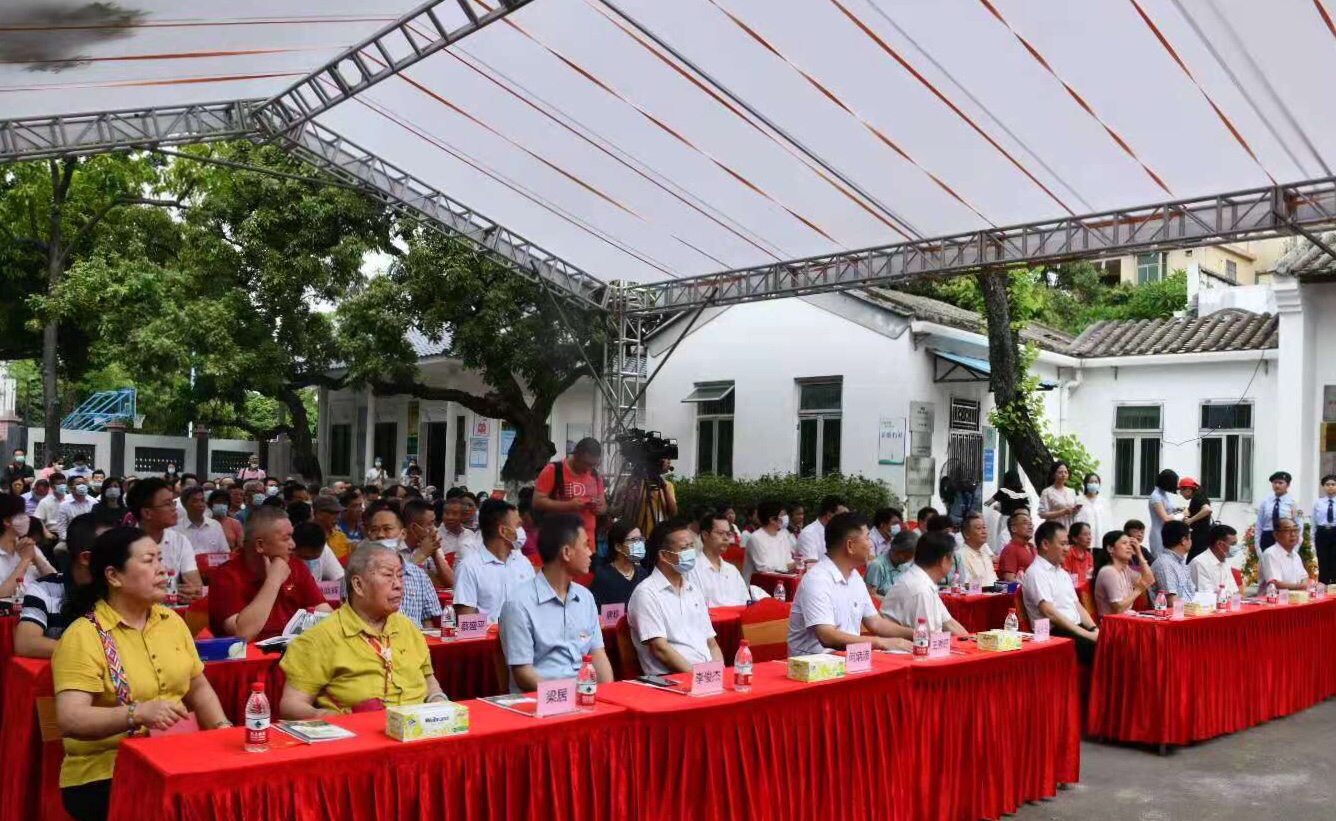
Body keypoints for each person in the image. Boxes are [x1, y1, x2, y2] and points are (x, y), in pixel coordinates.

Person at [52, 527, 230, 821]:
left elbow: (198, 688)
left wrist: (222, 730)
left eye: (160, 559)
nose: (163, 570)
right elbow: (71, 719)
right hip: (107, 770)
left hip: (177, 755)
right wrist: (137, 713)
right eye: (149, 561)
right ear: (113, 576)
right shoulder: (84, 636)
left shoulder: (171, 620)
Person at [279, 543, 446, 718]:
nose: (398, 585)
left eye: (400, 576)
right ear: (358, 585)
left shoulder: (408, 628)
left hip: (418, 731)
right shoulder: (319, 638)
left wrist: (439, 702)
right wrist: (333, 718)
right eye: (388, 576)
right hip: (359, 735)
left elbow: (428, 679)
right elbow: (292, 705)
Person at [500, 512, 614, 692]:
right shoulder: (519, 603)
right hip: (542, 702)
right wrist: (566, 696)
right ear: (567, 553)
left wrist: (608, 695)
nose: (591, 552)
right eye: (585, 545)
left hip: (584, 695)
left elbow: (597, 654)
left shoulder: (585, 597)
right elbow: (523, 673)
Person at [786, 512, 914, 656]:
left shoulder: (854, 577)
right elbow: (827, 636)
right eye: (867, 538)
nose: (870, 544)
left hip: (849, 660)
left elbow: (876, 623)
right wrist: (881, 642)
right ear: (850, 546)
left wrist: (915, 634)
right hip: (816, 669)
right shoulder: (817, 580)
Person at [208, 506, 330, 641]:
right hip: (250, 659)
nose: (293, 545)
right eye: (286, 538)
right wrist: (273, 580)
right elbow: (242, 634)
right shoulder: (226, 576)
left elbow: (325, 613)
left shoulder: (296, 566)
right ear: (260, 545)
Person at [627, 519, 723, 674]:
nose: (691, 552)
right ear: (664, 556)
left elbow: (711, 643)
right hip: (672, 681)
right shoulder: (646, 593)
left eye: (692, 546)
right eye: (685, 548)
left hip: (705, 676)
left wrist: (718, 672)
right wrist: (698, 677)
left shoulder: (694, 590)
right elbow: (660, 649)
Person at [16, 512, 109, 658]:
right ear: (85, 558)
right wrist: (96, 652)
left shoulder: (119, 587)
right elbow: (26, 643)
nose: (121, 557)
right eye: (113, 551)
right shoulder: (44, 588)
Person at [1021, 521, 1098, 662]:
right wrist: (1087, 635)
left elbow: (1077, 605)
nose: (1067, 549)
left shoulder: (1062, 572)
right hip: (1054, 633)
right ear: (1045, 544)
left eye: (1067, 544)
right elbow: (1050, 613)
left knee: (1116, 642)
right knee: (1106, 650)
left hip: (1075, 629)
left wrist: (1094, 628)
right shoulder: (1036, 573)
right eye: (1062, 544)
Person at [454, 499, 534, 624]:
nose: (521, 530)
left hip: (525, 639)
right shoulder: (469, 567)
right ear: (503, 531)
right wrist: (497, 629)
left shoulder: (523, 563)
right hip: (489, 641)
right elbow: (467, 622)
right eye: (518, 526)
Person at [363, 502, 441, 629]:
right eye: (374, 530)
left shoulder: (419, 575)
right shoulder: (357, 575)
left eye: (387, 529)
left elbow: (428, 622)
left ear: (403, 534)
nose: (380, 535)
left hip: (413, 644)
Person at [126, 478, 202, 604]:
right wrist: (170, 592)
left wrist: (189, 593)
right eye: (167, 504)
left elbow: (195, 587)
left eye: (173, 502)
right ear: (147, 513)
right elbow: (131, 592)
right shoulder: (127, 544)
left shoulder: (179, 541)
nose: (174, 508)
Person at [881, 531, 968, 636]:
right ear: (944, 560)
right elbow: (930, 637)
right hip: (905, 648)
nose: (953, 563)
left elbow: (949, 623)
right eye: (952, 558)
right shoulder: (920, 589)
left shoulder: (923, 581)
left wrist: (970, 641)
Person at [533, 438, 607, 550]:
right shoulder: (553, 470)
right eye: (587, 464)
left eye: (594, 465)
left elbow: (604, 506)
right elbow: (537, 502)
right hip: (559, 543)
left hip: (588, 545)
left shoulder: (595, 475)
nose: (589, 468)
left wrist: (598, 508)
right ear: (576, 455)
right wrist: (569, 505)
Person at [688, 511, 751, 606]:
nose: (726, 538)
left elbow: (745, 602)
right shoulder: (692, 569)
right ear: (705, 535)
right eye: (720, 533)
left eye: (728, 534)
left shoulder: (732, 570)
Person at [0, 493, 56, 597]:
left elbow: (55, 582)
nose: (27, 518)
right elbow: (2, 594)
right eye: (22, 514)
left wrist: (35, 559)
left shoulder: (28, 545)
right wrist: (25, 560)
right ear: (7, 521)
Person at [1093, 531, 1154, 617]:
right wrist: (1139, 590)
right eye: (1124, 543)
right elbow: (1118, 608)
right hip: (1112, 624)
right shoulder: (1108, 572)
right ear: (1110, 549)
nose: (1129, 547)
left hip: (1125, 619)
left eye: (1130, 543)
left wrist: (1139, 554)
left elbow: (1150, 580)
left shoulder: (1125, 569)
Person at [590, 521, 649, 608]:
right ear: (618, 547)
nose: (639, 544)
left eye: (641, 539)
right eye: (634, 540)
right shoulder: (603, 577)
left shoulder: (643, 574)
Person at [399, 498, 452, 588]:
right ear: (414, 527)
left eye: (434, 523)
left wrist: (435, 555)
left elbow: (451, 583)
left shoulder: (429, 545)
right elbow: (398, 582)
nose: (434, 529)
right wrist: (421, 555)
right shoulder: (393, 549)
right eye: (430, 524)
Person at [741, 500, 797, 582]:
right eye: (782, 515)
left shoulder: (783, 536)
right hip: (756, 588)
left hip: (780, 582)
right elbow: (764, 569)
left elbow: (789, 562)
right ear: (772, 519)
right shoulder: (756, 538)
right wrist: (789, 566)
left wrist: (796, 565)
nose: (786, 517)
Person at [174, 486, 229, 560]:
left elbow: (225, 553)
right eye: (195, 501)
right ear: (185, 504)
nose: (200, 504)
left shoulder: (215, 525)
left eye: (202, 500)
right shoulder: (175, 529)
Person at [1151, 520, 1197, 607]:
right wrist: (1195, 609)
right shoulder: (1164, 564)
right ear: (1183, 541)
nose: (1191, 541)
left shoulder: (1180, 562)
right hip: (1174, 615)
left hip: (1187, 612)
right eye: (1190, 538)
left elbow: (1192, 593)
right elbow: (1171, 601)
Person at [1190, 523, 1240, 598]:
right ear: (1220, 544)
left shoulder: (1224, 560)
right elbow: (1207, 597)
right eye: (1233, 544)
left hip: (1225, 606)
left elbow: (1234, 592)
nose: (1236, 547)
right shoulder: (1200, 562)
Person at [1259, 518, 1309, 591]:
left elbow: (1304, 577)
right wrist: (1301, 586)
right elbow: (1276, 584)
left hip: (1294, 598)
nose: (1293, 534)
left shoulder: (1295, 555)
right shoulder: (1270, 553)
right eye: (1287, 530)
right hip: (1274, 600)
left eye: (1295, 530)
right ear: (1276, 535)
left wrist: (1303, 585)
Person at [795, 496, 848, 565]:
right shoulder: (809, 534)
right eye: (842, 516)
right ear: (829, 516)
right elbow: (811, 565)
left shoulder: (838, 532)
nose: (846, 520)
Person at [1256, 471, 1301, 551]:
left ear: (1288, 485)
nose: (1277, 485)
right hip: (1267, 537)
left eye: (1280, 483)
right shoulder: (1266, 502)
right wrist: (1257, 545)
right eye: (1275, 483)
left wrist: (1296, 546)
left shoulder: (1293, 503)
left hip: (1285, 536)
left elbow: (1298, 525)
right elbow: (1259, 524)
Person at [865, 528, 917, 597]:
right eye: (905, 556)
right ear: (895, 549)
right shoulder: (877, 566)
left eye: (910, 557)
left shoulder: (906, 566)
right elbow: (871, 595)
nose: (907, 560)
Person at [1146, 469, 1182, 561]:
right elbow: (1165, 518)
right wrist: (1182, 515)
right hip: (1158, 534)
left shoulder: (1163, 494)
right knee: (1161, 561)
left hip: (1166, 532)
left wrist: (1177, 509)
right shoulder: (1156, 496)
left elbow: (1168, 509)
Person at [955, 512, 998, 587]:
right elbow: (965, 585)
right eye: (979, 528)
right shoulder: (959, 556)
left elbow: (993, 581)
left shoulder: (985, 554)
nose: (984, 532)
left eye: (984, 527)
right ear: (966, 534)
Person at [436, 495, 482, 565]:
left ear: (463, 516)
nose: (450, 517)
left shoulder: (470, 535)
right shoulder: (435, 536)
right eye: (446, 513)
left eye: (454, 514)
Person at [1178, 477, 1214, 561]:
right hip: (1200, 537)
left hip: (1200, 538)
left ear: (1188, 490)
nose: (1180, 493)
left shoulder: (1197, 498)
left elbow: (1207, 509)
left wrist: (1190, 520)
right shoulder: (1199, 496)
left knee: (1192, 563)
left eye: (1181, 491)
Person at [1037, 461, 1081, 529]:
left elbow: (1074, 511)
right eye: (1060, 472)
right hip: (1054, 528)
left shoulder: (1072, 491)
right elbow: (1042, 514)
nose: (1063, 475)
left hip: (1070, 527)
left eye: (1066, 472)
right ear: (1053, 474)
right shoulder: (1047, 492)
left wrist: (1076, 510)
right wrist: (1062, 512)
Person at [1072, 472, 1111, 548]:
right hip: (1083, 539)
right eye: (1091, 482)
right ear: (1086, 484)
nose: (1094, 484)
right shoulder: (1079, 500)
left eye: (1096, 482)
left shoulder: (1103, 502)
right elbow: (1074, 519)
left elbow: (1108, 522)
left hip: (1099, 539)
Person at [997, 511, 1036, 581]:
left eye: (1031, 523)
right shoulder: (1010, 549)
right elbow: (1009, 580)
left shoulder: (1033, 548)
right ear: (1013, 529)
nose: (1031, 525)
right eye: (1025, 523)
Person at [55, 476, 97, 541]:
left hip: (91, 538)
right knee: (59, 549)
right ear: (71, 488)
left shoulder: (93, 502)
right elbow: (61, 528)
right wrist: (70, 540)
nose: (82, 486)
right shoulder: (64, 505)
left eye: (84, 484)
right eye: (78, 484)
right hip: (71, 539)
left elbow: (97, 524)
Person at [1314, 475, 1336, 584]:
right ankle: (1323, 585)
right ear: (1323, 487)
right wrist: (1312, 540)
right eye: (1327, 485)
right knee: (1323, 561)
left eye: (1333, 484)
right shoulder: (1318, 503)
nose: (1330, 487)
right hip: (1322, 533)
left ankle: (1334, 587)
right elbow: (1314, 522)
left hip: (1335, 532)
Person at [35, 473, 69, 537]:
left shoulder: (70, 499)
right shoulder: (44, 502)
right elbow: (38, 520)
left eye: (64, 483)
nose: (63, 486)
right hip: (53, 532)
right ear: (52, 486)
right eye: (59, 484)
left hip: (69, 532)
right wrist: (46, 533)